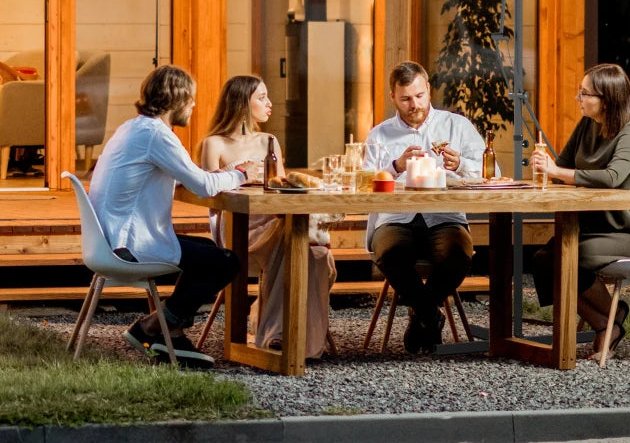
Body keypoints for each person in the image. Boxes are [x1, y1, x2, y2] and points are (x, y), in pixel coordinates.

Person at [89, 64, 260, 368]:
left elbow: (186, 176)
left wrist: (217, 175)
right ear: (178, 99)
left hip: (110, 239)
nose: (194, 105)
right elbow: (204, 186)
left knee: (208, 251)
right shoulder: (157, 135)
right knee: (227, 261)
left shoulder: (132, 128)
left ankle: (164, 327)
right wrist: (240, 173)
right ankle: (159, 328)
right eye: (191, 99)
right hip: (129, 246)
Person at [531, 62, 630, 360]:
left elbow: (613, 177)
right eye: (579, 92)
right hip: (600, 226)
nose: (578, 99)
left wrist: (559, 171)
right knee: (544, 259)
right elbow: (564, 164)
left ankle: (612, 316)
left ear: (607, 99)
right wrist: (546, 166)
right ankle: (608, 320)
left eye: (585, 93)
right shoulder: (587, 125)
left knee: (571, 255)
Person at [199, 75, 337, 358]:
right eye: (261, 97)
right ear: (241, 102)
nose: (269, 103)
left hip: (274, 219)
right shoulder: (215, 144)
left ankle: (283, 337)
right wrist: (238, 175)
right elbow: (211, 199)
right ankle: (286, 335)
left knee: (306, 249)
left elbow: (282, 189)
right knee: (305, 243)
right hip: (238, 227)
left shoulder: (269, 141)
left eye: (267, 96)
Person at [364, 60, 485, 354]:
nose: (414, 104)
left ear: (429, 90)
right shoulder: (380, 134)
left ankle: (421, 314)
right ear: (393, 97)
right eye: (405, 99)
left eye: (419, 96)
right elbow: (363, 182)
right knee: (390, 253)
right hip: (396, 219)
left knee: (458, 254)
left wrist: (462, 165)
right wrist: (395, 166)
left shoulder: (456, 126)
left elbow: (489, 171)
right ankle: (431, 315)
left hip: (444, 217)